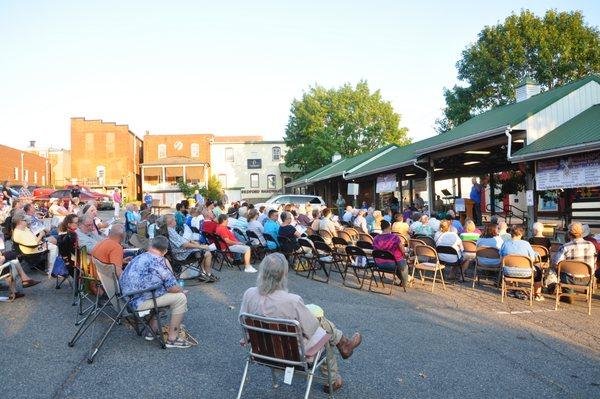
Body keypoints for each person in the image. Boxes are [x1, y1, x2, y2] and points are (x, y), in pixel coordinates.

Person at [240, 253, 362, 393]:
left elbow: (244, 323)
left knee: (318, 323)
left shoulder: (249, 294)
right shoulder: (292, 301)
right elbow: (311, 329)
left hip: (262, 352)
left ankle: (343, 345)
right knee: (323, 329)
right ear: (283, 275)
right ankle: (334, 377)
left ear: (262, 272)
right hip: (294, 355)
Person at [119, 236, 191, 348]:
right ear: (165, 251)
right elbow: (173, 287)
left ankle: (151, 332)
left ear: (151, 246)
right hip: (138, 301)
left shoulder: (139, 257)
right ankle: (173, 339)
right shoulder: (159, 261)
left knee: (162, 293)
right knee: (180, 298)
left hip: (128, 297)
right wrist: (182, 291)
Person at [162, 214, 217, 281]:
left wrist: (191, 242)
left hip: (179, 252)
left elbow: (181, 241)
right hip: (181, 255)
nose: (176, 221)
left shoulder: (169, 230)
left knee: (201, 249)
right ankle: (208, 274)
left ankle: (203, 274)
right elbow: (184, 245)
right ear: (171, 222)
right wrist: (200, 246)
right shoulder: (170, 231)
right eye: (175, 220)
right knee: (207, 253)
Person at [554, 222, 597, 302]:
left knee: (558, 268)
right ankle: (587, 293)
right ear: (582, 233)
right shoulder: (591, 245)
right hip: (587, 279)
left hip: (569, 279)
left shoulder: (565, 246)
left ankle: (568, 292)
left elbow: (557, 262)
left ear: (569, 234)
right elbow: (594, 261)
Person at [500, 226, 542, 301]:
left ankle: (510, 289)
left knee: (511, 265)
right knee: (538, 270)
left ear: (511, 233)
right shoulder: (526, 244)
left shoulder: (505, 244)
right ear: (521, 234)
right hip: (525, 272)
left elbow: (501, 258)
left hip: (508, 271)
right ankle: (537, 295)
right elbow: (532, 259)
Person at [373, 220, 411, 287]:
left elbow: (375, 250)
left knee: (399, 264)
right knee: (404, 265)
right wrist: (406, 252)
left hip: (378, 264)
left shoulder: (376, 238)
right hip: (392, 264)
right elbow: (403, 250)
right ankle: (405, 283)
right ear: (389, 228)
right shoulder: (394, 237)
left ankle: (405, 280)